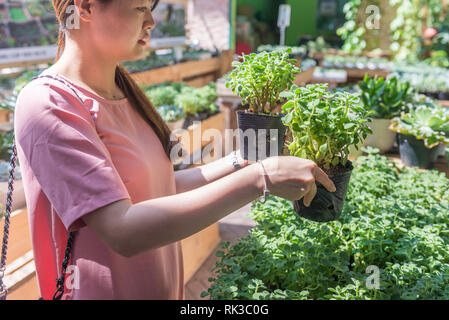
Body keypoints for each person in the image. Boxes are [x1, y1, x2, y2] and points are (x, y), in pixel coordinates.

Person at [13, 0, 335, 300]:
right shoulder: (49, 103)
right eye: (140, 8)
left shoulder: (123, 92)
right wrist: (259, 180)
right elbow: (122, 229)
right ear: (84, 8)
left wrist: (245, 161)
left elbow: (159, 189)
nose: (151, 21)